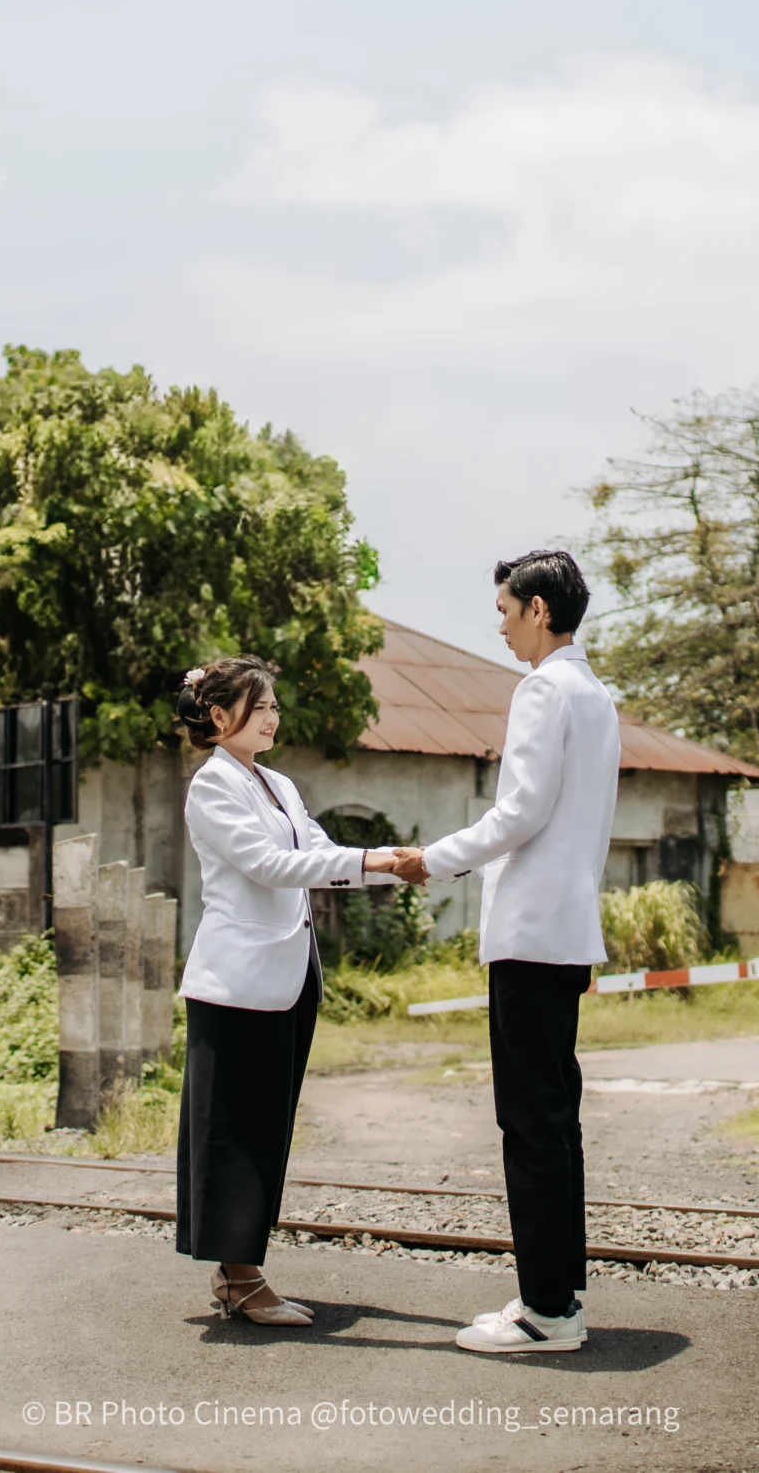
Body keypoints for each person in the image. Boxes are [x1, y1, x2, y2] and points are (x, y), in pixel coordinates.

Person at [390, 550, 617, 1354]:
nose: (499, 624)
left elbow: (518, 811)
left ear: (541, 610)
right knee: (556, 1120)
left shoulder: (543, 689)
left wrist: (435, 857)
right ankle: (561, 1293)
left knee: (528, 1122)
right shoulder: (596, 695)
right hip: (568, 932)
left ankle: (546, 1312)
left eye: (506, 609)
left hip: (528, 936)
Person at [174, 654, 419, 1326]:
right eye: (262, 705)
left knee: (267, 1127)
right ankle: (240, 1279)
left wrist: (388, 867)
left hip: (288, 978)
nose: (275, 715)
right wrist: (376, 859)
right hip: (236, 985)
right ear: (220, 716)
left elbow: (317, 849)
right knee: (234, 1130)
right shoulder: (213, 786)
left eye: (277, 705)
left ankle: (241, 1273)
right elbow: (271, 865)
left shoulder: (277, 783)